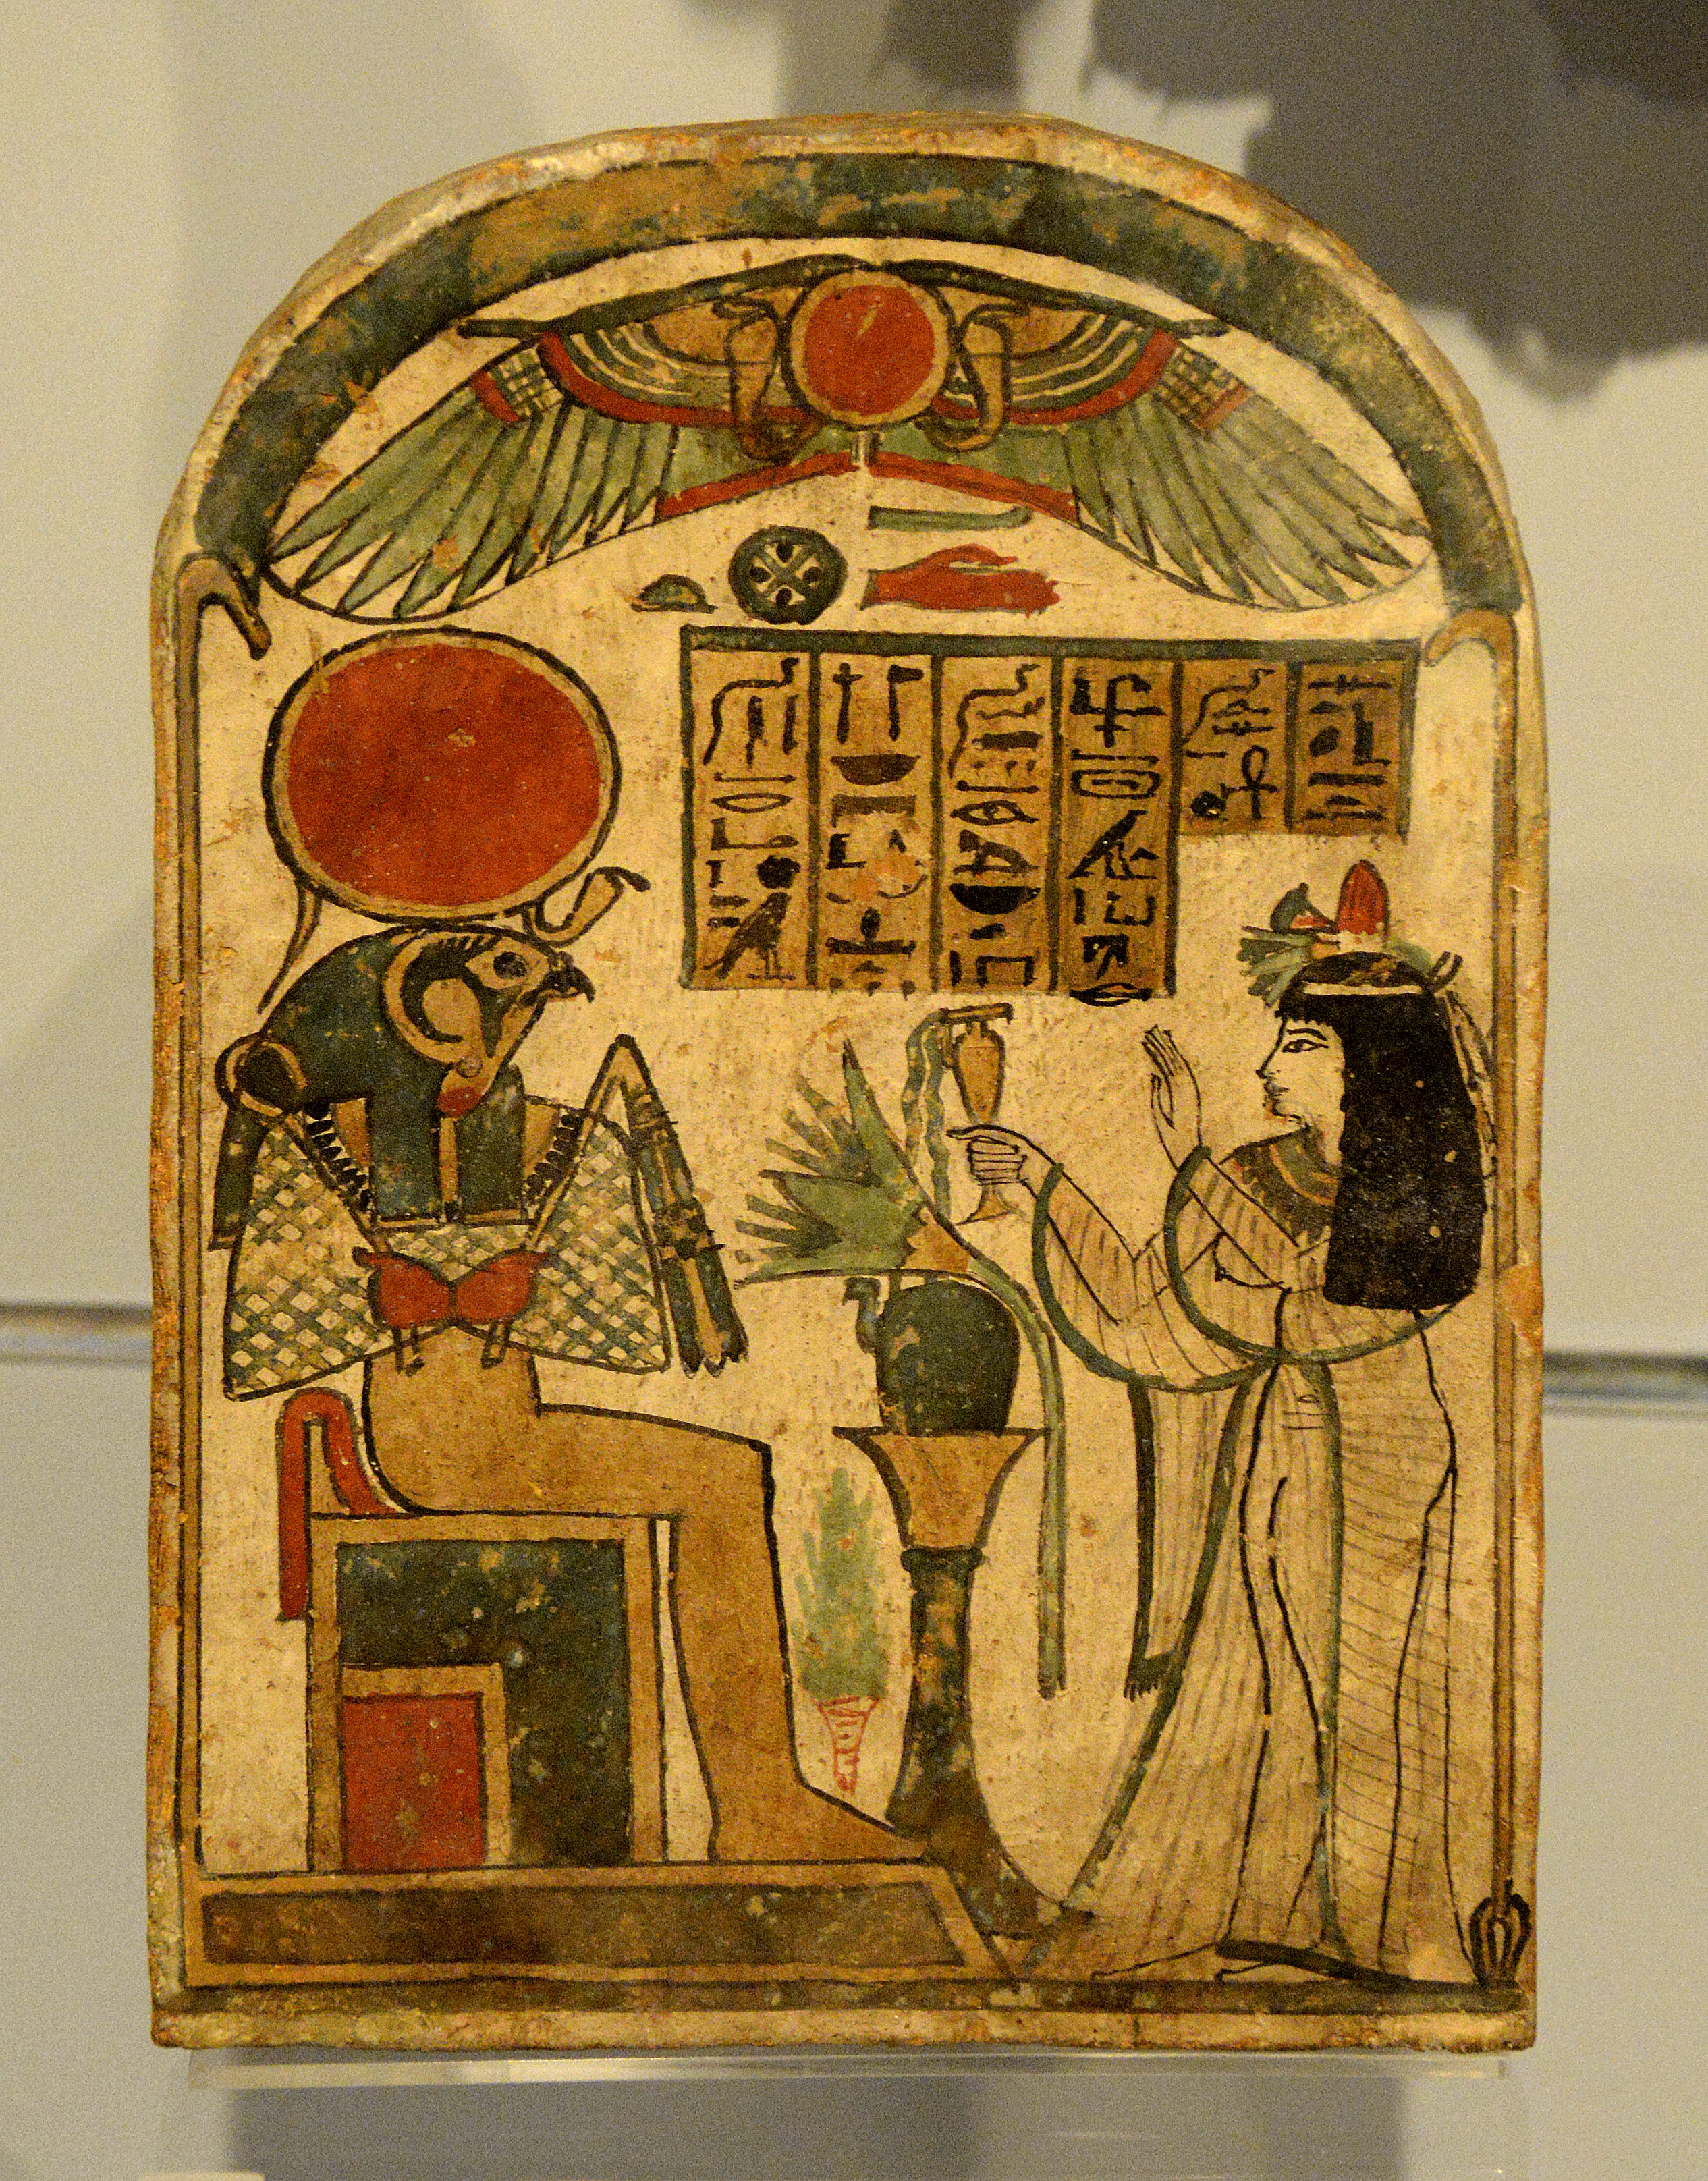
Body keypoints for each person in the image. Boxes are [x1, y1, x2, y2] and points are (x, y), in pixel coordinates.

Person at [961, 868, 1485, 1983]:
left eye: (1300, 1044)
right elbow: (1157, 1313)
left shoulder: (1416, 1189)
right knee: (1272, 1682)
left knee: (1365, 1687)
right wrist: (1053, 1186)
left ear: (1370, 1066)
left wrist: (1192, 1161)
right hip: (1279, 1440)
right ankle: (1286, 1915)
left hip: (1382, 1453)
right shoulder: (1254, 1172)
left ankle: (1383, 1933)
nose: (1269, 1066)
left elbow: (1313, 1316)